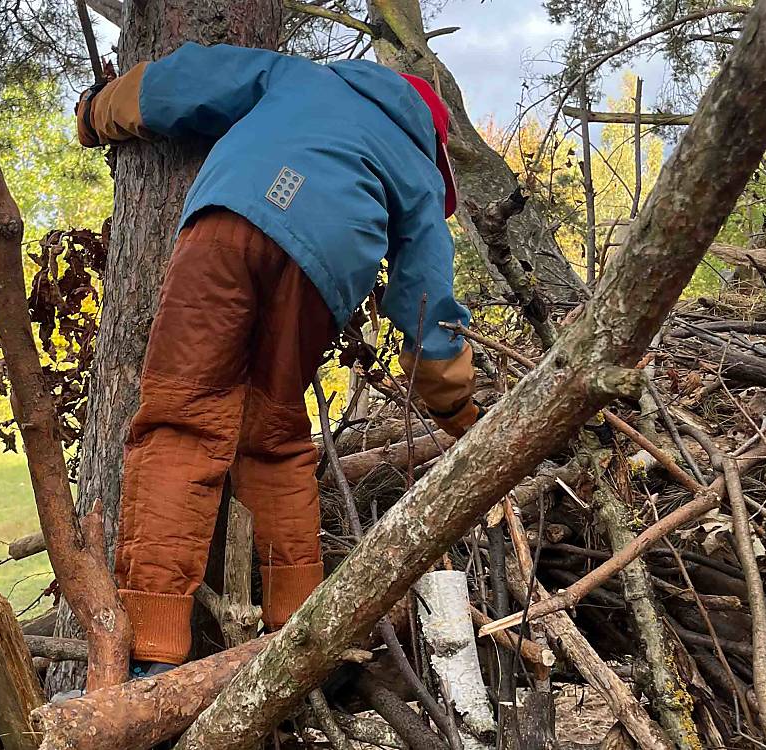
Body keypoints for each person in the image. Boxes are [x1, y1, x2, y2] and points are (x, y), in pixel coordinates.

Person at [76, 42, 479, 676]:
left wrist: (99, 111)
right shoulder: (420, 168)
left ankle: (153, 648)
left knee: (182, 421)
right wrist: (454, 405)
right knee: (275, 437)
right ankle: (298, 629)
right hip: (322, 275)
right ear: (434, 136)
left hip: (230, 224)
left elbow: (185, 83)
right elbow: (425, 291)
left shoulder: (301, 77)